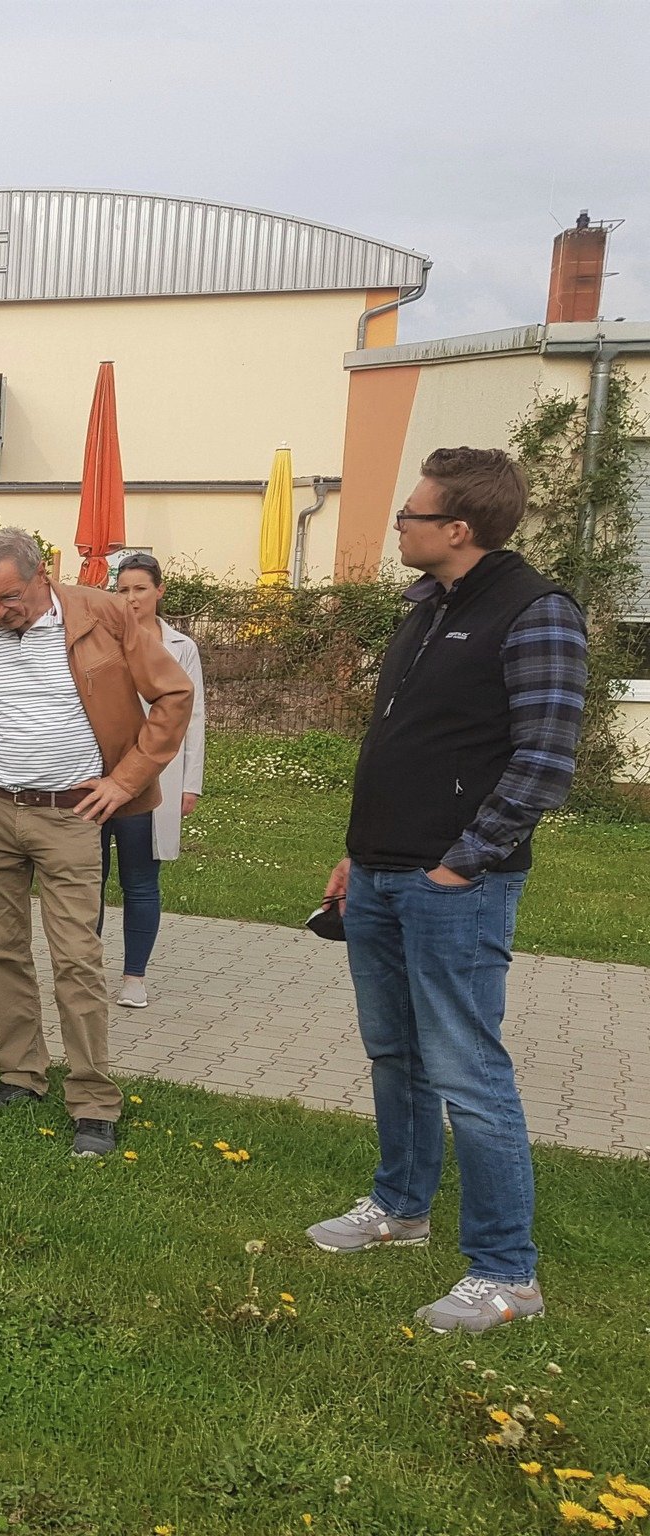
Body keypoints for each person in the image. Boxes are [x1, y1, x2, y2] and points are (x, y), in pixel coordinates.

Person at [309, 448, 586, 1335]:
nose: (399, 523)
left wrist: (461, 863)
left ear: (456, 528)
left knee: (470, 1073)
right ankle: (401, 1208)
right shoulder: (426, 607)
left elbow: (545, 764)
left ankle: (508, 1274)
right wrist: (361, 853)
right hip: (384, 873)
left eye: (410, 513)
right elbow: (406, 745)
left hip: (456, 885)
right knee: (395, 1053)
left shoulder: (535, 612)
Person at [0, 527, 191, 1158]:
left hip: (71, 817)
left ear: (42, 576)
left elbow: (172, 694)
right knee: (2, 951)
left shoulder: (106, 616)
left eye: (9, 598)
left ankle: (92, 1101)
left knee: (77, 960)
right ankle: (19, 1075)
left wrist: (125, 780)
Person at [100, 551, 206, 1009]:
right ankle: (83, 969)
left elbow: (194, 716)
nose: (130, 598)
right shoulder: (99, 641)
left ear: (159, 592)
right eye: (122, 590)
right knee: (87, 879)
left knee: (142, 880)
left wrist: (190, 782)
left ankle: (134, 977)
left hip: (153, 782)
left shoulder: (180, 647)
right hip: (97, 778)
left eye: (139, 589)